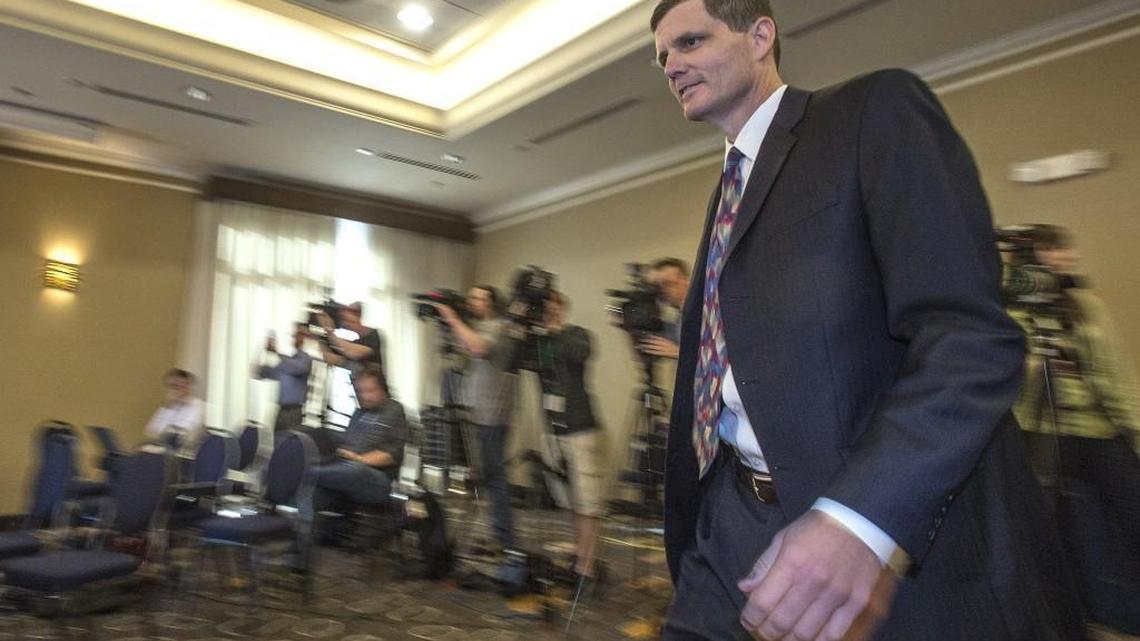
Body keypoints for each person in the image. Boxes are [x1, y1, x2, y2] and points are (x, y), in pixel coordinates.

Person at [650, 2, 1084, 640]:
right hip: (731, 520)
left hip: (861, 530)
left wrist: (858, 519)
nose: (673, 65)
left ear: (761, 35)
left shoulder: (869, 113)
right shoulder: (727, 191)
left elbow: (968, 338)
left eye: (690, 41)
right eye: (662, 57)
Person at [1012, 224, 1140, 628]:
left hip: (1100, 432)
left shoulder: (1087, 304)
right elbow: (1009, 390)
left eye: (1064, 248)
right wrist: (1031, 364)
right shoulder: (1013, 315)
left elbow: (1118, 372)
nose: (1063, 256)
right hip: (1042, 434)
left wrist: (1134, 426)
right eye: (1050, 249)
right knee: (1052, 531)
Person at [434, 286, 519, 552]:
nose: (471, 301)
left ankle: (506, 540)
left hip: (492, 414)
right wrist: (449, 327)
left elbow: (479, 349)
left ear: (491, 302)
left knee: (494, 477)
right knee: (485, 476)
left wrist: (453, 319)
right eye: (469, 296)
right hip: (476, 412)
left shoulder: (500, 326)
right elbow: (462, 350)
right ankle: (497, 535)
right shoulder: (480, 326)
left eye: (477, 297)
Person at [538, 291, 605, 582]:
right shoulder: (538, 342)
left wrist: (557, 331)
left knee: (586, 500)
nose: (548, 312)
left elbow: (581, 353)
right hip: (552, 431)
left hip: (579, 427)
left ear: (562, 309)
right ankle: (580, 554)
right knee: (566, 500)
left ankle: (587, 567)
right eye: (544, 309)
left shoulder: (577, 335)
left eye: (553, 308)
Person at [313, 364, 408, 511]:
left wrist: (358, 459)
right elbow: (346, 442)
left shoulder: (393, 410)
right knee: (315, 434)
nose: (364, 396)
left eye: (370, 390)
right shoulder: (359, 413)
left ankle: (306, 473)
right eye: (360, 391)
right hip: (345, 465)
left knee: (354, 470)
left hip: (375, 475)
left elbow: (392, 454)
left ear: (382, 389)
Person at [254, 322, 313, 432]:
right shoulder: (286, 362)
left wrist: (276, 353)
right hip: (282, 411)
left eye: (300, 334)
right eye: (295, 335)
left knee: (288, 444)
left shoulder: (305, 359)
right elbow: (261, 373)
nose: (296, 338)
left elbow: (298, 368)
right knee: (277, 444)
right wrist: (263, 351)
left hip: (293, 411)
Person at [145, 368, 206, 457]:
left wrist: (163, 435)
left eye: (177, 386)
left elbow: (183, 436)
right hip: (162, 453)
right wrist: (170, 407)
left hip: (184, 456)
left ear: (187, 386)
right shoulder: (167, 408)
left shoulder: (198, 407)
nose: (174, 390)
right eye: (171, 386)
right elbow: (151, 432)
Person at [316, 301, 385, 379]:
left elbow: (352, 352)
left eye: (346, 318)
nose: (344, 321)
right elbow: (331, 359)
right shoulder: (355, 343)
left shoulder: (374, 336)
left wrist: (329, 332)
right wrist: (319, 336)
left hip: (377, 390)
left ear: (357, 315)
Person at [641, 257, 691, 359]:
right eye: (656, 286)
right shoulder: (680, 318)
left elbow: (716, 355)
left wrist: (677, 353)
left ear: (684, 281)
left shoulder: (705, 310)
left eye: (666, 283)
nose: (661, 291)